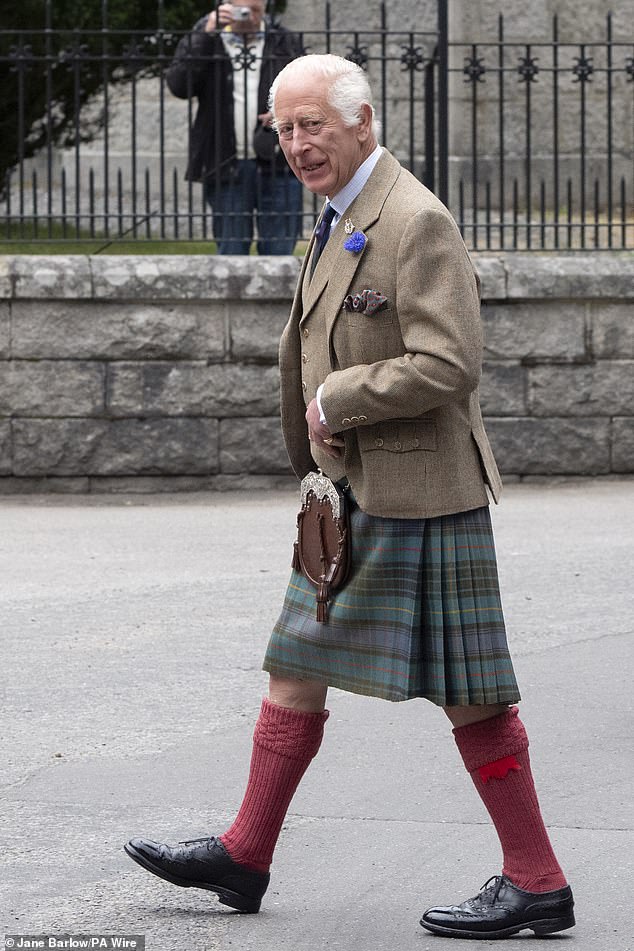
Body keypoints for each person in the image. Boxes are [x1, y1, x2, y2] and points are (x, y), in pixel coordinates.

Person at [125, 54, 575, 940]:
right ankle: (245, 853)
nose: (295, 145)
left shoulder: (414, 219)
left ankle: (537, 880)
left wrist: (338, 399)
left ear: (362, 122)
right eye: (283, 129)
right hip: (349, 490)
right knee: (294, 660)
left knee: (473, 694)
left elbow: (450, 363)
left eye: (312, 126)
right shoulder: (339, 213)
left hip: (418, 491)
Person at [165, 0, 303, 254]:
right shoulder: (209, 38)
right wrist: (206, 34)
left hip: (279, 161)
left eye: (256, 11)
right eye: (243, 11)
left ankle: (279, 297)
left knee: (280, 251)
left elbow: (309, 89)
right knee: (232, 250)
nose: (249, 18)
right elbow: (179, 85)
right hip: (225, 161)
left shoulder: (283, 40)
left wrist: (285, 110)